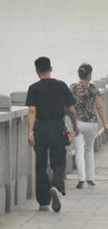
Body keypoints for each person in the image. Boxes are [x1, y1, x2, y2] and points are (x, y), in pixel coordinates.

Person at [26, 57, 79, 212]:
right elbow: (71, 110)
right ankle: (56, 186)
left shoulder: (33, 88)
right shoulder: (61, 86)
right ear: (51, 68)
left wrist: (30, 131)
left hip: (40, 128)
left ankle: (43, 201)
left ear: (36, 71)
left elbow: (32, 111)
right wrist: (75, 126)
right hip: (57, 127)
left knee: (41, 164)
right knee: (58, 161)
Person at [70, 64, 108, 189]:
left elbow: (69, 106)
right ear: (89, 74)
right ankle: (91, 178)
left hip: (78, 122)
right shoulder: (93, 88)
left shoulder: (73, 87)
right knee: (89, 150)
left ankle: (81, 179)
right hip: (92, 123)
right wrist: (105, 124)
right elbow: (100, 107)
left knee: (79, 151)